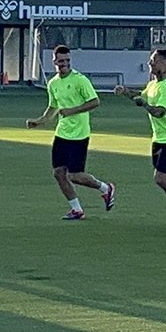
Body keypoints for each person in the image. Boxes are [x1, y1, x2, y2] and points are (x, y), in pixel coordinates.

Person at [26, 45, 115, 220]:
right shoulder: (53, 83)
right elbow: (53, 107)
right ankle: (76, 209)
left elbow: (95, 102)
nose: (64, 64)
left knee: (75, 175)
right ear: (54, 61)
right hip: (62, 134)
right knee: (58, 173)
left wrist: (72, 110)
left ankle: (105, 188)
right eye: (61, 61)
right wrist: (40, 121)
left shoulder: (80, 80)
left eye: (67, 60)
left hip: (79, 134)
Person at [114, 49, 166, 230]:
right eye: (151, 61)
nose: (151, 64)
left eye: (155, 61)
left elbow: (159, 112)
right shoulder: (153, 85)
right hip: (158, 138)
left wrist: (143, 104)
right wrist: (125, 92)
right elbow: (142, 96)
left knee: (162, 178)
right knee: (164, 182)